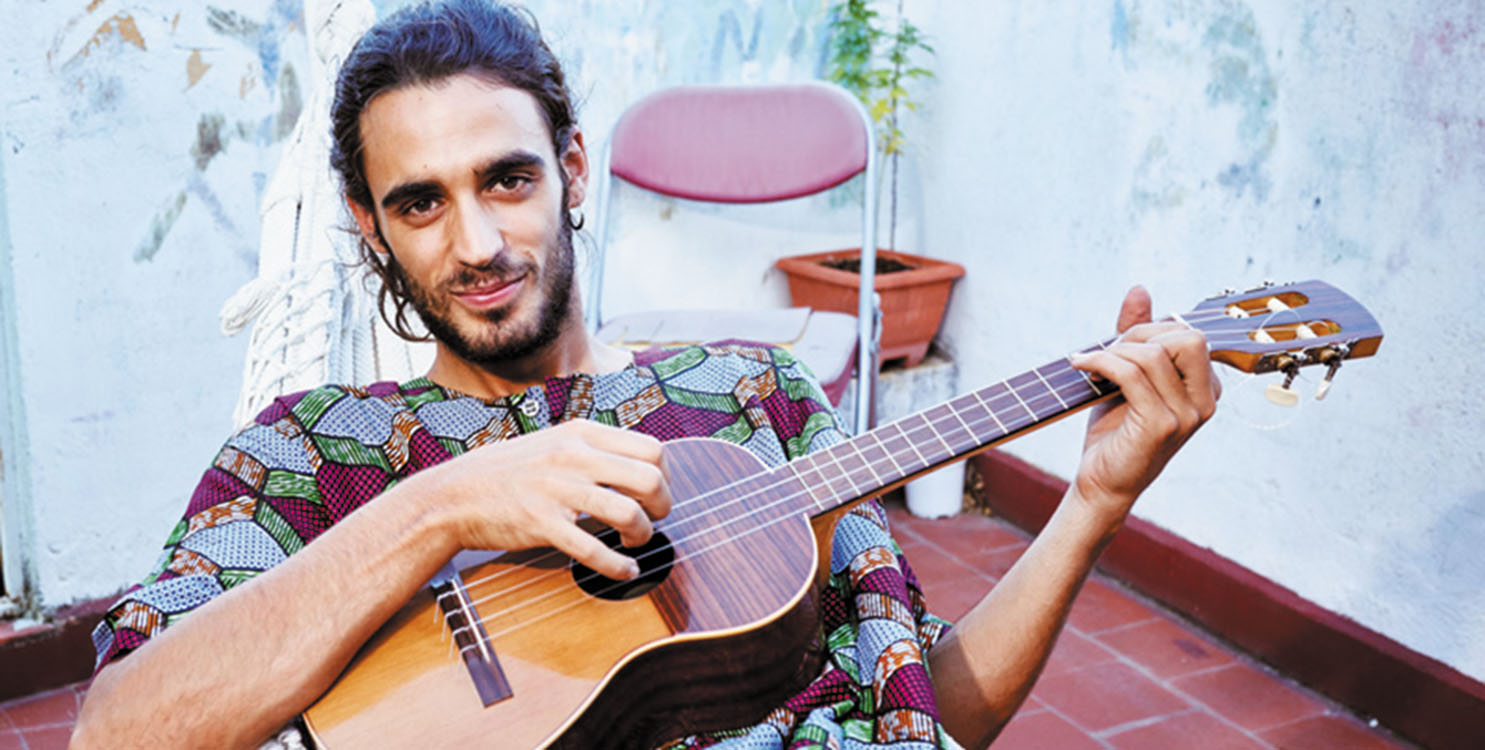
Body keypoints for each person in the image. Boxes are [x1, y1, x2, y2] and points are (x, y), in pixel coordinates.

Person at [70, 1, 1219, 748]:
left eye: (506, 179)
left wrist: (1092, 505)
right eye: (421, 202)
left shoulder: (755, 399)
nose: (474, 243)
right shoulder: (306, 449)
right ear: (371, 228)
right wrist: (441, 508)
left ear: (572, 170)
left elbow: (929, 711)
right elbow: (118, 732)